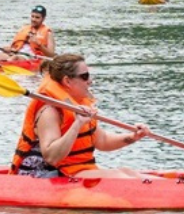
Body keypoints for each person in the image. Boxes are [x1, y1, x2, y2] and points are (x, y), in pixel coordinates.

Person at [10, 53, 151, 177]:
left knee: (127, 172)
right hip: (46, 174)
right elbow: (51, 157)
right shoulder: (50, 112)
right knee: (118, 175)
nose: (90, 81)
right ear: (67, 81)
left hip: (75, 169)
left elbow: (102, 141)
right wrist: (77, 124)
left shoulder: (78, 106)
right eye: (85, 76)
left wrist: (133, 137)